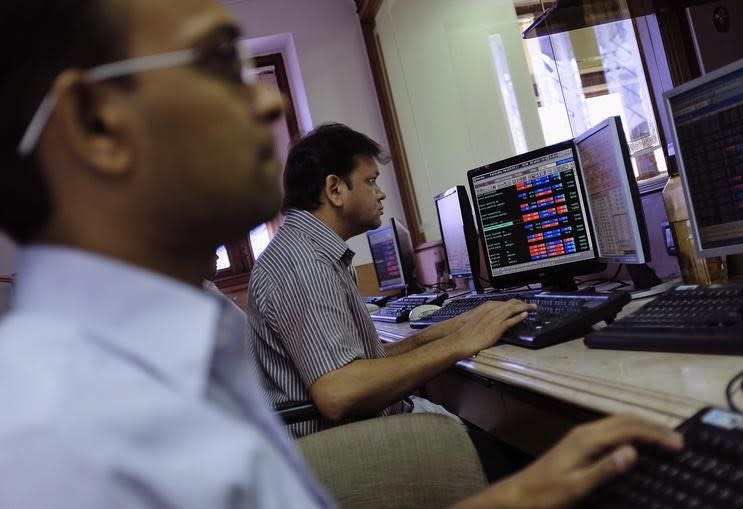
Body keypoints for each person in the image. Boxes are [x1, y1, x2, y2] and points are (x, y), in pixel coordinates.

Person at [0, 0, 683, 507]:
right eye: (215, 62)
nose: (268, 98)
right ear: (96, 123)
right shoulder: (57, 434)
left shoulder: (152, 354)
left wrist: (518, 493)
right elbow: (337, 392)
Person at [248, 123, 538, 439]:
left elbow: (363, 365)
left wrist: (444, 332)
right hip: (344, 447)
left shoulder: (309, 249)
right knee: (514, 443)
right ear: (335, 190)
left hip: (348, 434)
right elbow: (339, 393)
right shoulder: (303, 264)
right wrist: (461, 343)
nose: (381, 192)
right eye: (370, 181)